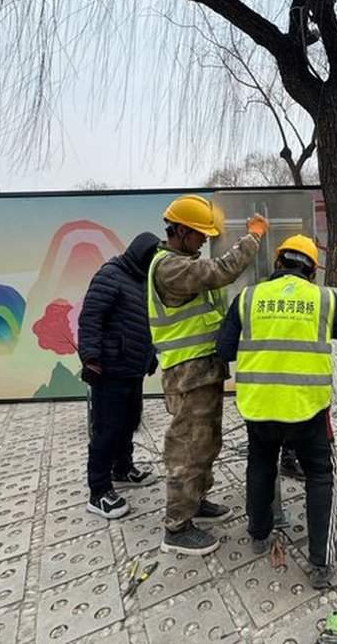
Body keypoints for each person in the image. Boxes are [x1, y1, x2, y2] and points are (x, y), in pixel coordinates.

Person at [216, 235, 337, 589]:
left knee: (260, 464)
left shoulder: (248, 297)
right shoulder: (323, 299)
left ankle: (259, 533)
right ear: (311, 270)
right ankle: (321, 562)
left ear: (278, 263)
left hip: (259, 405)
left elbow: (223, 349)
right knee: (320, 476)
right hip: (307, 408)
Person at [149, 194, 268, 555]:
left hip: (203, 371)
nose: (204, 240)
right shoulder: (170, 267)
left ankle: (196, 501)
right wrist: (253, 238)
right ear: (181, 231)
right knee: (188, 447)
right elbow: (221, 271)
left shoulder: (182, 260)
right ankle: (177, 526)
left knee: (206, 442)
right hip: (188, 374)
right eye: (200, 234)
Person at [78, 232, 160, 520]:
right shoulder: (110, 276)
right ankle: (98, 491)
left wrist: (150, 355)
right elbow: (90, 318)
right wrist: (91, 358)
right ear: (142, 256)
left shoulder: (141, 280)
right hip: (109, 369)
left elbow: (146, 322)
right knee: (106, 430)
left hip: (132, 368)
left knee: (129, 423)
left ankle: (123, 468)